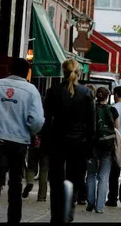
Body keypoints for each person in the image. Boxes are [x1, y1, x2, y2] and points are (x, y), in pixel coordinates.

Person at [0, 57, 44, 225]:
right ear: (27, 73)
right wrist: (29, 132)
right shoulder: (31, 91)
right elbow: (36, 120)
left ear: (10, 70)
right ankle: (14, 219)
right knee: (15, 183)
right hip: (19, 142)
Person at [41, 58, 95, 223]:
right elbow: (91, 124)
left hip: (57, 140)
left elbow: (47, 120)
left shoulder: (53, 91)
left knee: (56, 179)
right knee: (75, 178)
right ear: (78, 72)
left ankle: (56, 214)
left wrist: (45, 143)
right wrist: (89, 148)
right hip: (78, 142)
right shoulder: (86, 93)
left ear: (62, 72)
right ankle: (69, 212)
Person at [86, 87, 119, 213]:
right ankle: (99, 207)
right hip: (108, 147)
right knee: (103, 176)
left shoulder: (91, 109)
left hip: (92, 146)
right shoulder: (112, 110)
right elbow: (117, 129)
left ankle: (90, 203)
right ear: (108, 96)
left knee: (91, 174)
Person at [22, 133, 49, 202]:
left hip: (33, 144)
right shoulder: (48, 122)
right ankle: (42, 197)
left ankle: (30, 182)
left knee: (31, 167)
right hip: (46, 146)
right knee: (44, 171)